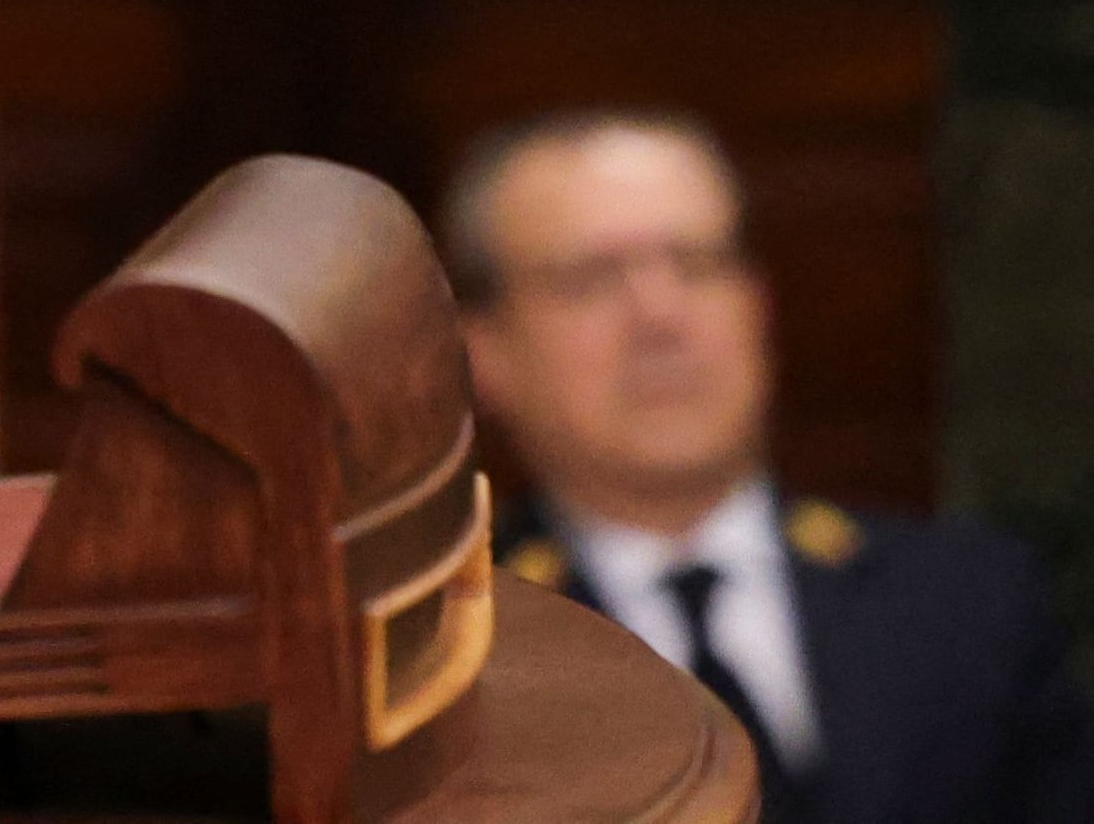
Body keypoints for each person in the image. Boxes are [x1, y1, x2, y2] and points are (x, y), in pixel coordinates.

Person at [453, 108, 1094, 824]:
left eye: (698, 263)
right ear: (486, 350)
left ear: (758, 305)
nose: (659, 315)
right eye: (592, 279)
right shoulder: (449, 659)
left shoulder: (969, 604)